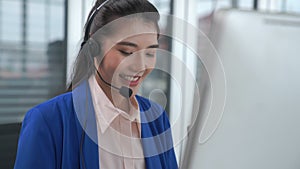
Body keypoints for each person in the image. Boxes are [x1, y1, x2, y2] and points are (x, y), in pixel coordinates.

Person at [14, 0, 178, 169]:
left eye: (150, 53)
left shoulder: (156, 118)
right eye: (127, 52)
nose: (141, 66)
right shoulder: (48, 120)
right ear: (94, 48)